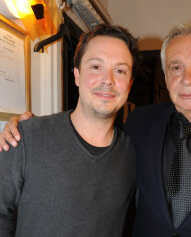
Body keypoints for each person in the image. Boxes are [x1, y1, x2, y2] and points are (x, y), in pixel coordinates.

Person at [0, 21, 191, 236]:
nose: (187, 78)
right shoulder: (141, 125)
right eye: (176, 67)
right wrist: (23, 130)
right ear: (166, 77)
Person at [0, 24, 139, 236]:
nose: (108, 80)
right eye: (95, 67)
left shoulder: (135, 153)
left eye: (120, 70)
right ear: (76, 74)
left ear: (129, 84)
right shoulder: (25, 137)